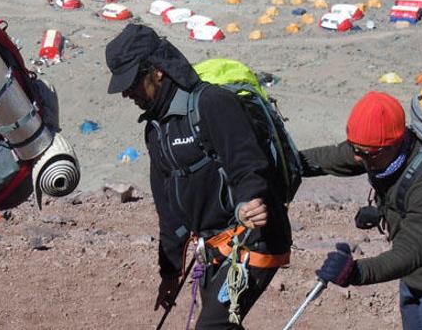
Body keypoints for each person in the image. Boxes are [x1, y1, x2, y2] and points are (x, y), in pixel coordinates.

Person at [105, 24, 291, 329]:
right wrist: (169, 271)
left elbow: (247, 163)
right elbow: (168, 209)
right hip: (212, 248)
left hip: (253, 237)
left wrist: (248, 201)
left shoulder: (211, 103)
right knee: (219, 324)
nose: (127, 92)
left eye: (133, 82)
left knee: (213, 326)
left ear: (158, 71)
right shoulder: (156, 131)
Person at [302, 91, 422, 330]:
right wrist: (281, 163)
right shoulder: (378, 151)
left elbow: (410, 253)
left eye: (364, 153)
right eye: (354, 148)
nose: (356, 158)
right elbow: (328, 158)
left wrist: (354, 272)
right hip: (416, 277)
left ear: (393, 144)